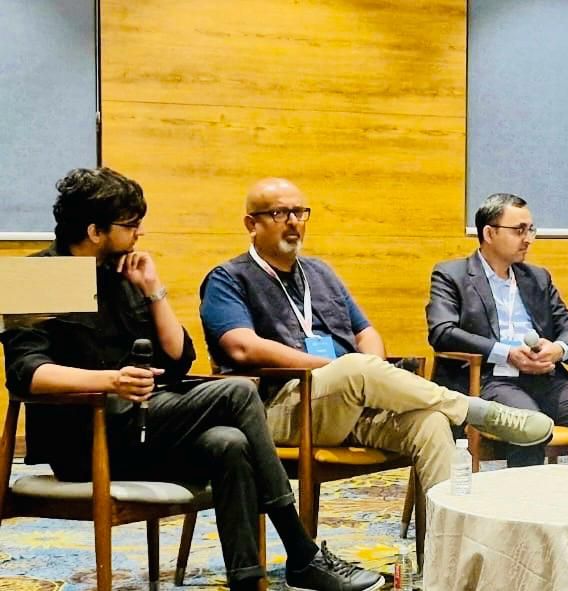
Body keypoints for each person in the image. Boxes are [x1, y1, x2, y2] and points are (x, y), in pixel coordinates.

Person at [1, 168, 382, 590]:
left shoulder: (121, 274)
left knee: (228, 443)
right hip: (87, 438)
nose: (140, 233)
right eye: (131, 225)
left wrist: (153, 290)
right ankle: (301, 550)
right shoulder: (39, 276)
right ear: (95, 231)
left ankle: (247, 581)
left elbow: (178, 358)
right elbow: (26, 374)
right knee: (238, 391)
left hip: (144, 426)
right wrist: (110, 380)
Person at [199, 178, 553, 500]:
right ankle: (472, 410)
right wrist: (340, 368)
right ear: (251, 224)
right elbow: (241, 346)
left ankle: (450, 541)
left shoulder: (319, 272)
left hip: (350, 401)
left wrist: (369, 370)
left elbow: (365, 331)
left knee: (429, 423)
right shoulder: (228, 278)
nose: (293, 222)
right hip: (281, 408)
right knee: (355, 368)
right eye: (280, 213)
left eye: (300, 213)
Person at [426, 193, 568, 467]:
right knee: (530, 424)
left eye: (531, 229)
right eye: (519, 230)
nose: (528, 239)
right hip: (487, 379)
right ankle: (524, 495)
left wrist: (557, 349)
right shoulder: (453, 275)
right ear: (489, 233)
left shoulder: (537, 277)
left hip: (544, 378)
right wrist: (506, 353)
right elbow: (442, 332)